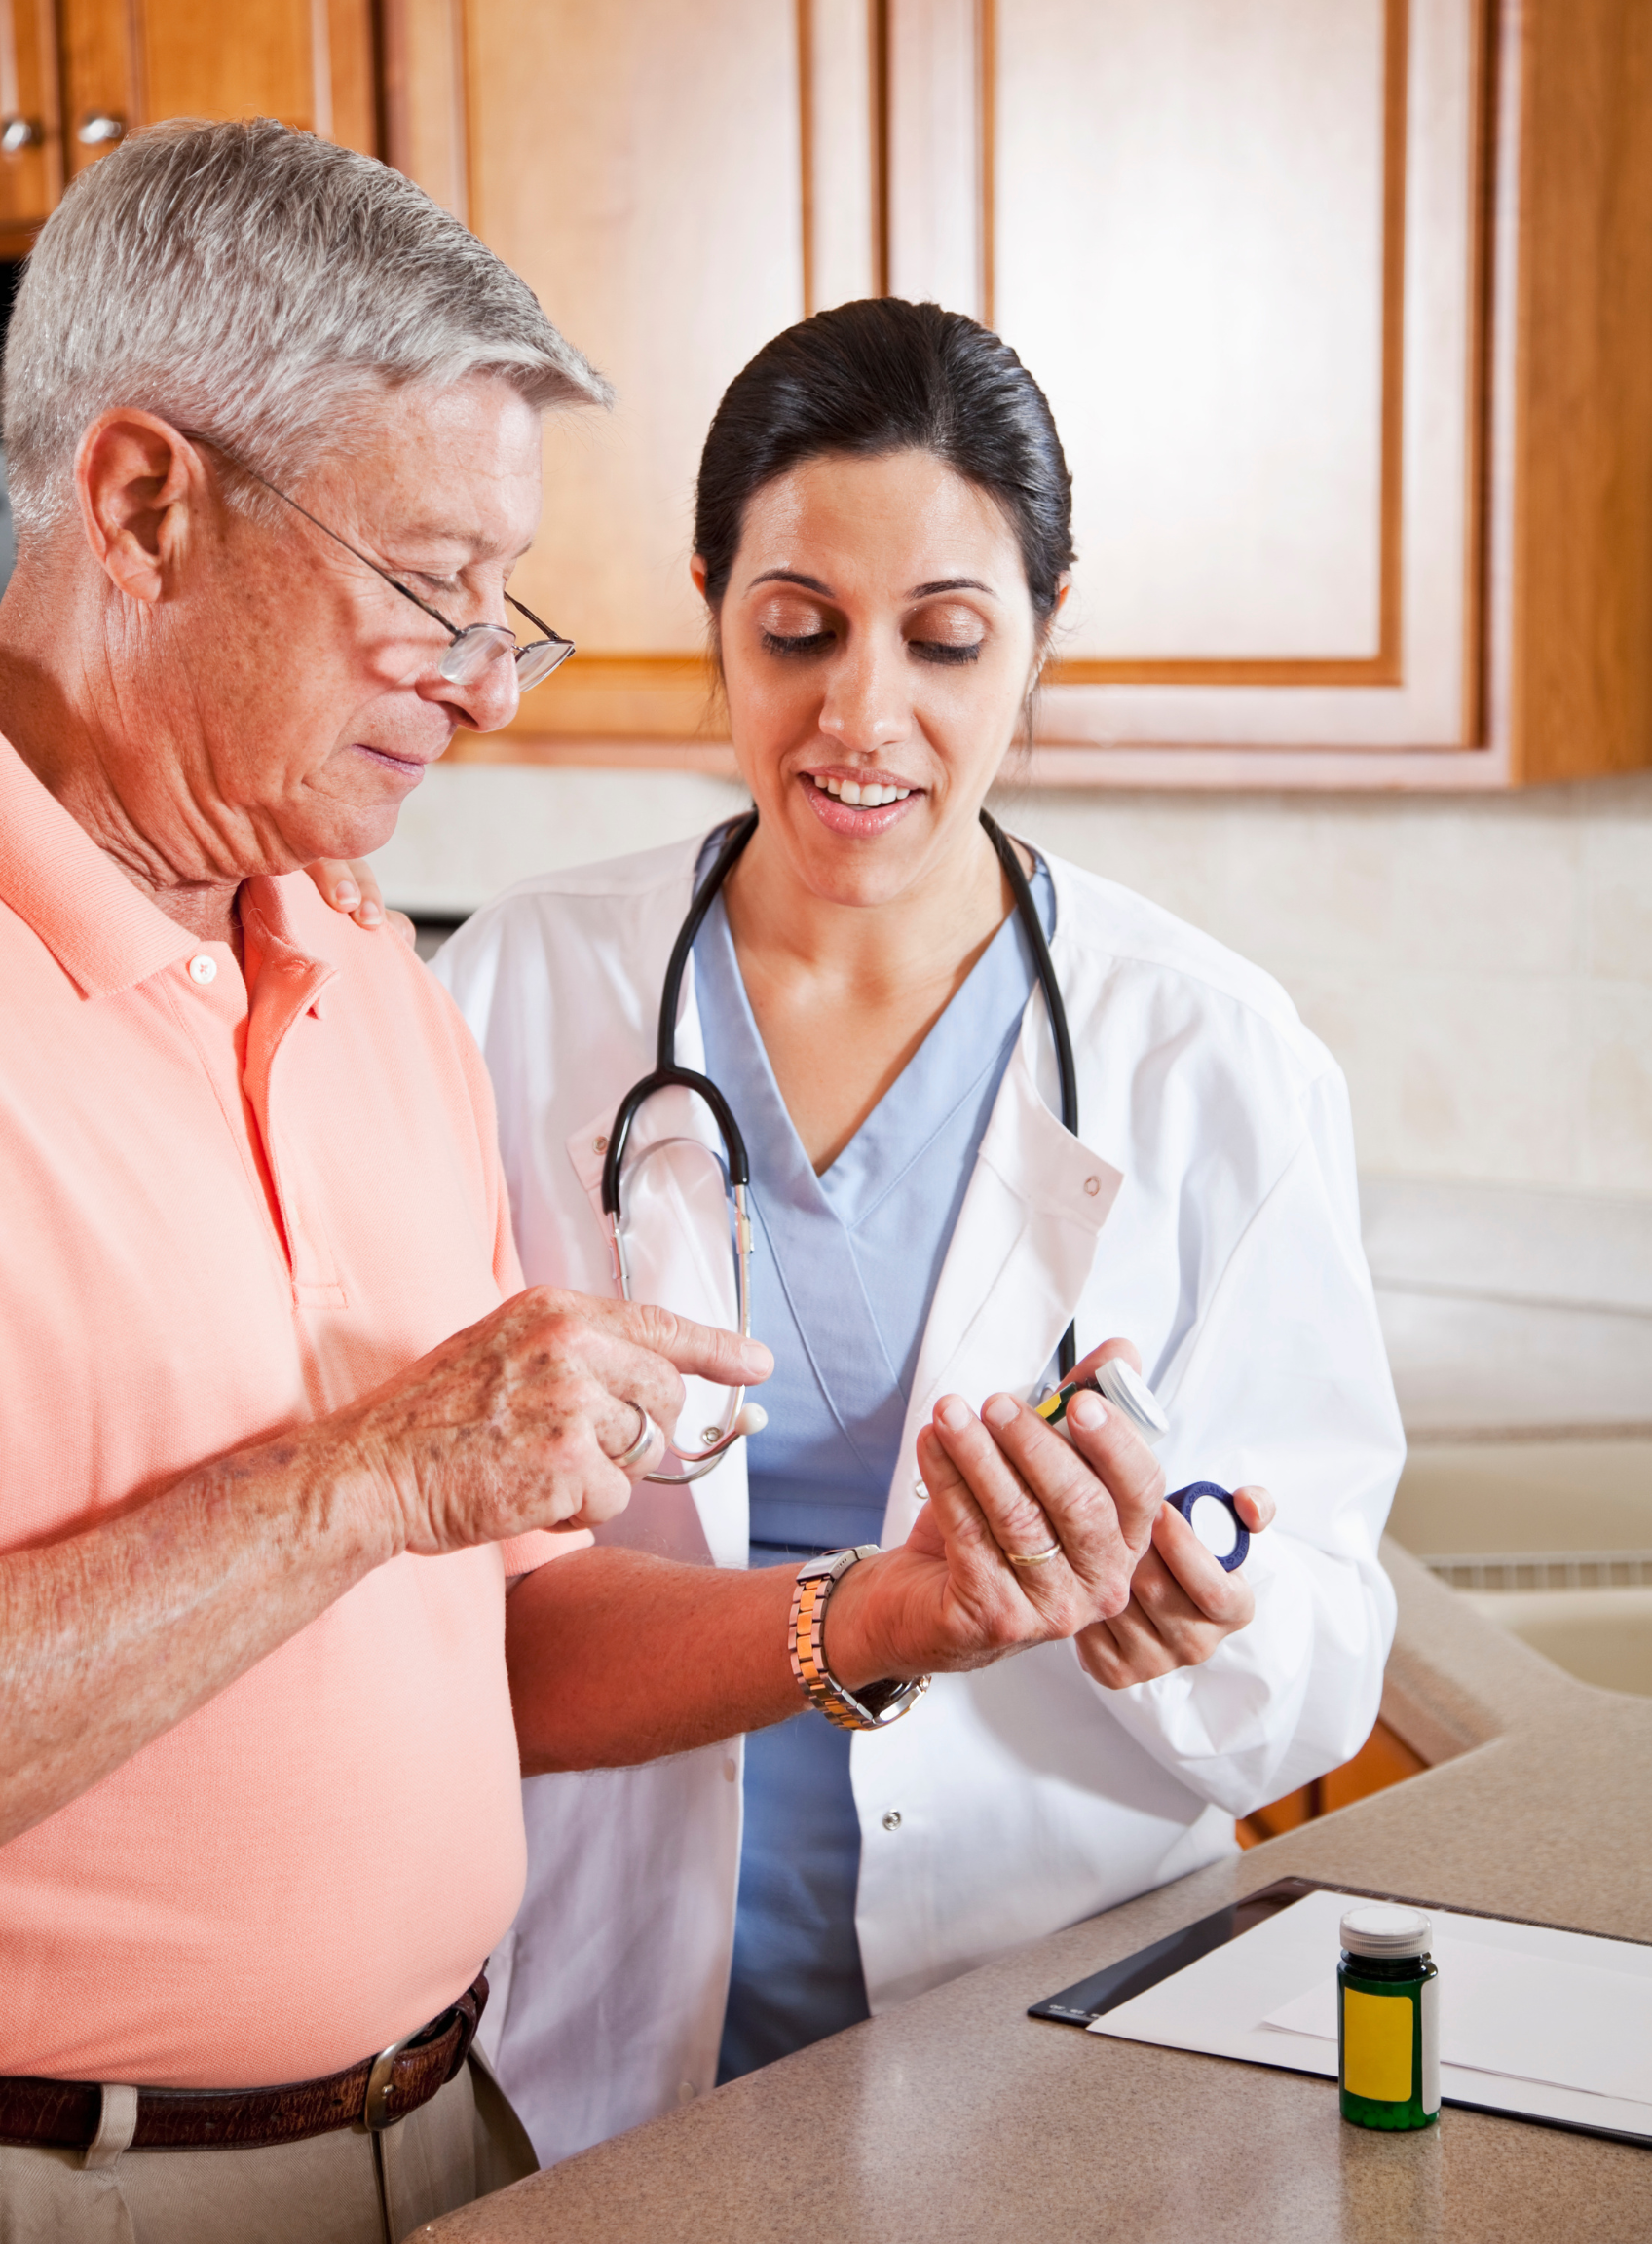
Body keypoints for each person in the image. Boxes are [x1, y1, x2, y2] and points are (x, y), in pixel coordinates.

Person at [1, 132, 1171, 2242]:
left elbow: (508, 1625)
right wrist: (373, 1478)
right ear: (147, 504)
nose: (482, 674)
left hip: (462, 2145)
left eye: (502, 600)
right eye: (429, 587)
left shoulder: (369, 974)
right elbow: (401, 1502)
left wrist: (888, 1616)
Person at [320, 298, 1406, 2166]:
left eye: (949, 642)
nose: (862, 717)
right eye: (798, 631)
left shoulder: (1211, 1057)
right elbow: (423, 1592)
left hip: (1060, 2041)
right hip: (592, 2041)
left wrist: (1199, 1617)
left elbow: (1324, 1649)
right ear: (710, 605)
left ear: (1042, 638)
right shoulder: (514, 996)